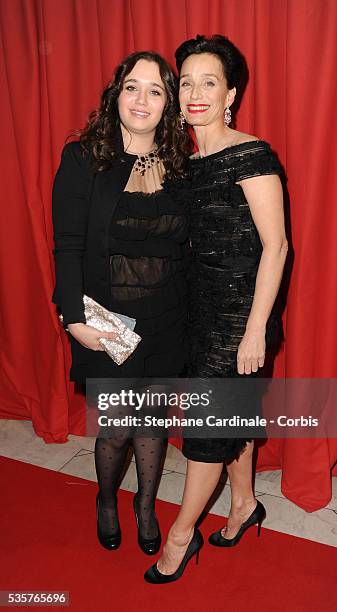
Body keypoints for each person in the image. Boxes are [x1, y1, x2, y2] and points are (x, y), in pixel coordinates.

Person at [144, 35, 288, 583]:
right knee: (233, 415)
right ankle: (246, 503)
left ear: (231, 93)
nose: (196, 92)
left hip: (240, 316)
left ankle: (181, 535)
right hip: (197, 311)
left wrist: (254, 331)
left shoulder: (251, 154)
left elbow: (276, 246)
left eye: (210, 82)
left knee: (207, 426)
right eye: (187, 82)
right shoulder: (184, 162)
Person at [52, 51, 191, 555]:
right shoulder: (84, 158)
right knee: (114, 431)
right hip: (106, 324)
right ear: (117, 94)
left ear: (168, 105)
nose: (142, 99)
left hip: (166, 321)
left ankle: (146, 507)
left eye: (155, 91)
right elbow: (66, 246)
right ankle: (108, 502)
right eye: (133, 87)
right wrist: (73, 319)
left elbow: (187, 247)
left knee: (151, 426)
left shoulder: (180, 165)